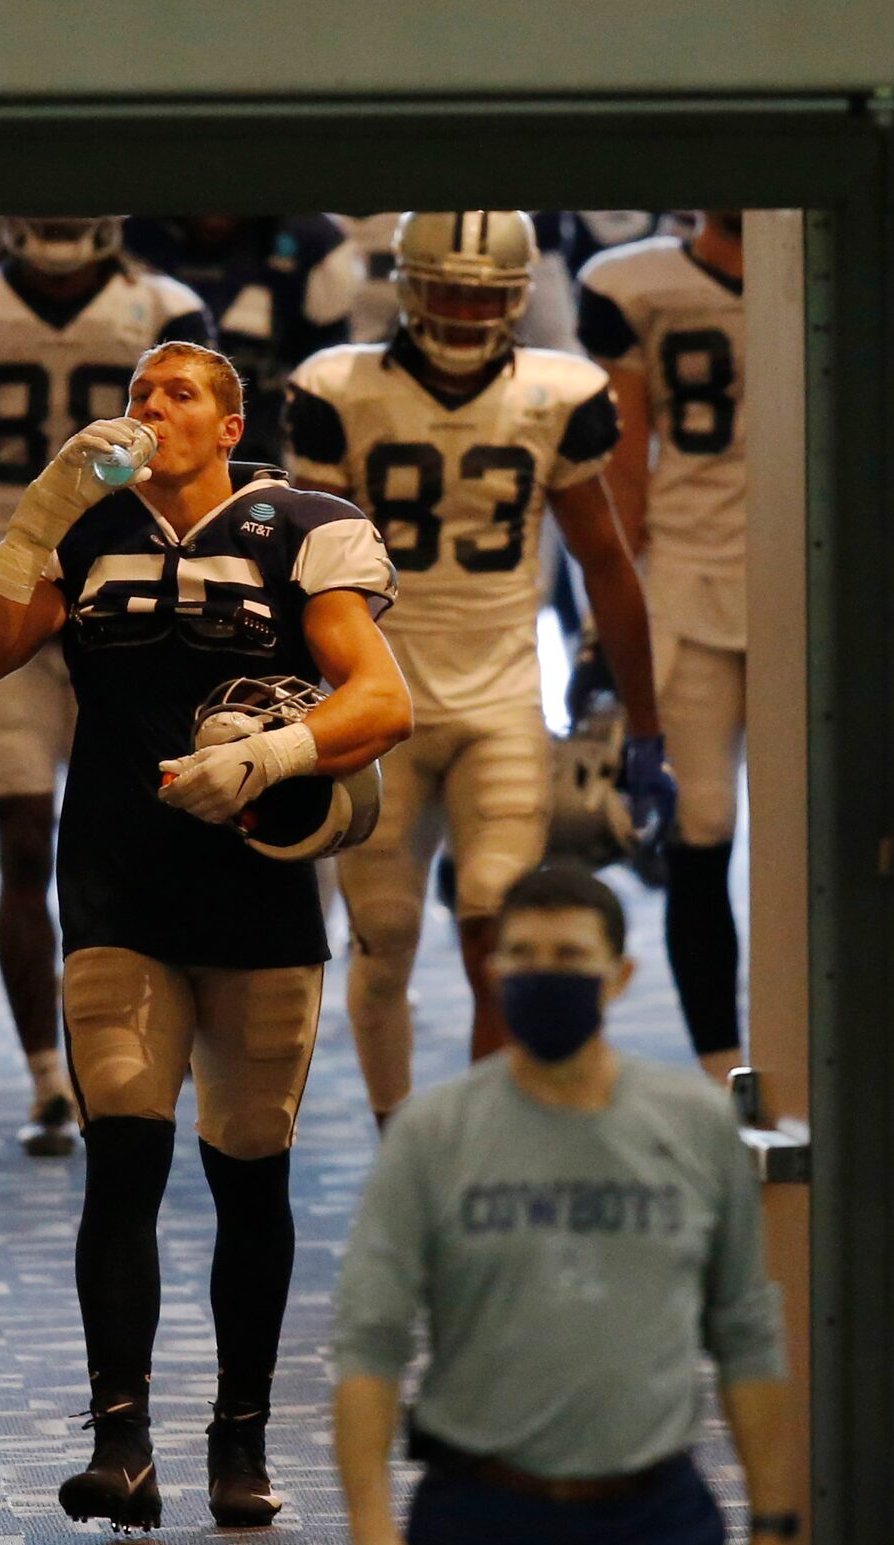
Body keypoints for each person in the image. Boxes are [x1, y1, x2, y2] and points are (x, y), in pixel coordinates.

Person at [0, 341, 411, 1530]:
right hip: (117, 885)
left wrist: (269, 754)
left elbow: (382, 699)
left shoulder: (303, 525)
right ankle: (121, 1440)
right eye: (140, 392)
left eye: (178, 392)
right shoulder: (86, 531)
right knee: (125, 1162)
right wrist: (45, 506)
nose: (150, 409)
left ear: (232, 418)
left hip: (255, 888)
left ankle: (239, 1439)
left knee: (250, 1171)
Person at [331, 864, 794, 1545]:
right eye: (525, 957)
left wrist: (772, 1533)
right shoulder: (434, 1134)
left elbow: (749, 1335)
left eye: (569, 960)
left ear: (618, 976)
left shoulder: (692, 1125)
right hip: (482, 1524)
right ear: (492, 972)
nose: (545, 976)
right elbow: (366, 1347)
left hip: (651, 1522)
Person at [286, 211, 671, 1128]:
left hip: (500, 695)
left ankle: (479, 1149)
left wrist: (647, 729)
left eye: (483, 292)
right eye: (447, 288)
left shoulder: (559, 392)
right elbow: (311, 569)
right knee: (382, 945)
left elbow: (607, 563)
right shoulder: (337, 388)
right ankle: (399, 1146)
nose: (462, 308)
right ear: (410, 285)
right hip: (376, 697)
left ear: (518, 298)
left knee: (499, 934)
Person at [0, 215, 214, 1157]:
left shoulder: (165, 310)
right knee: (25, 839)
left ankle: (140, 1045)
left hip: (137, 589)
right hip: (12, 586)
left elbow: (203, 472)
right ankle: (47, 1076)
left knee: (157, 824)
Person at [578, 210, 750, 1081]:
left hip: (814, 580)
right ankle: (723, 1067)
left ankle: (821, 1046)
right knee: (702, 826)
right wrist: (603, 629)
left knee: (825, 831)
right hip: (686, 578)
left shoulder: (841, 261)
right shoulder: (633, 284)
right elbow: (624, 470)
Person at [124, 216, 364, 467]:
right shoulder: (135, 234)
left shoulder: (311, 241)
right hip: (144, 439)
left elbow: (326, 378)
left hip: (267, 440)